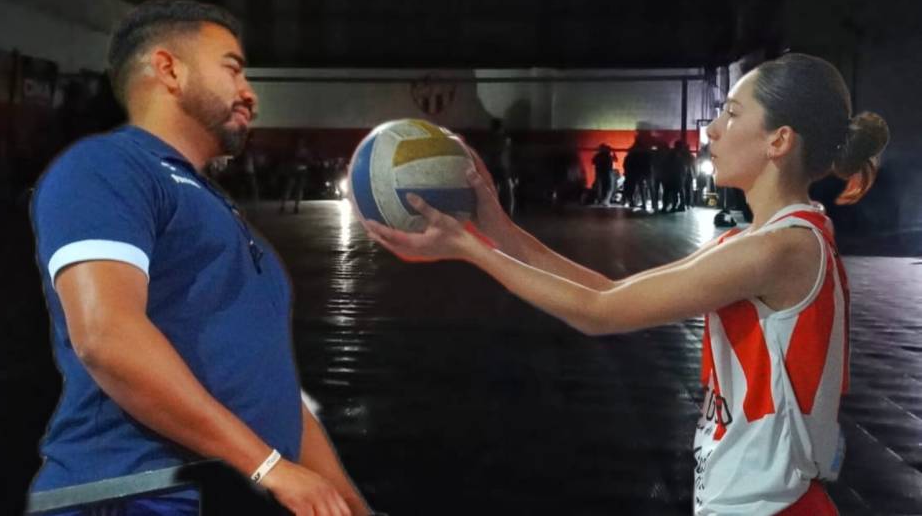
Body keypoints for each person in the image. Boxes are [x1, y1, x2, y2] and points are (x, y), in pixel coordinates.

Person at [361, 53, 889, 515]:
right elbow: (607, 292)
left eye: (731, 114)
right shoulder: (756, 241)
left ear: (779, 140)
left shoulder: (780, 249)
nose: (712, 130)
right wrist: (497, 230)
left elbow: (597, 314)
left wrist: (468, 249)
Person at [28, 0, 372, 516]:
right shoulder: (106, 168)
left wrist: (351, 507)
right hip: (134, 492)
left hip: (222, 491)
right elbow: (107, 337)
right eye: (232, 69)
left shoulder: (211, 203)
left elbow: (277, 395)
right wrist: (268, 467)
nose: (249, 94)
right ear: (169, 68)